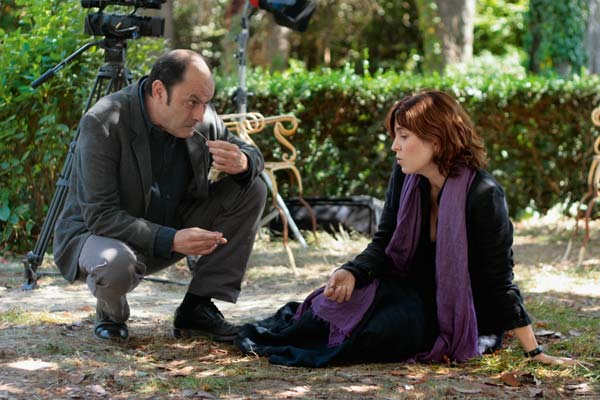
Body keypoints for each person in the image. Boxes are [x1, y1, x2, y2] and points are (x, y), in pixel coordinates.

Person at [235, 90, 575, 367]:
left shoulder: (483, 195)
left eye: (404, 136)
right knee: (339, 308)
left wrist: (534, 351)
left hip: (460, 309)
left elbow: (499, 280)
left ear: (437, 140)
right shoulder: (406, 175)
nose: (394, 146)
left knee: (381, 332)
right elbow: (385, 242)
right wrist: (353, 271)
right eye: (395, 136)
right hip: (409, 289)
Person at [53, 49, 267, 342]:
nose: (200, 114)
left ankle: (197, 307)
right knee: (114, 264)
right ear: (158, 90)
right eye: (192, 102)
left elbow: (251, 153)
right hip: (100, 235)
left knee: (252, 187)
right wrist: (172, 239)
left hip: (171, 224)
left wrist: (244, 162)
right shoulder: (104, 120)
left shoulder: (201, 119)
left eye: (205, 103)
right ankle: (111, 313)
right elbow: (100, 215)